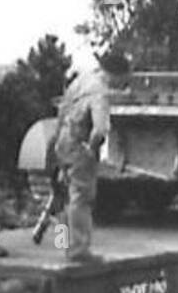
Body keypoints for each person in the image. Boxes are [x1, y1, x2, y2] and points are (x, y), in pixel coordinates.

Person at [53, 48, 130, 262]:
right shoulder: (100, 93)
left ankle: (63, 244)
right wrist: (91, 149)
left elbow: (62, 110)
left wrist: (57, 143)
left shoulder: (81, 81)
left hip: (63, 140)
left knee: (66, 196)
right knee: (82, 196)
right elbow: (100, 129)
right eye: (122, 80)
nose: (122, 85)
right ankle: (78, 250)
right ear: (115, 75)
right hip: (80, 144)